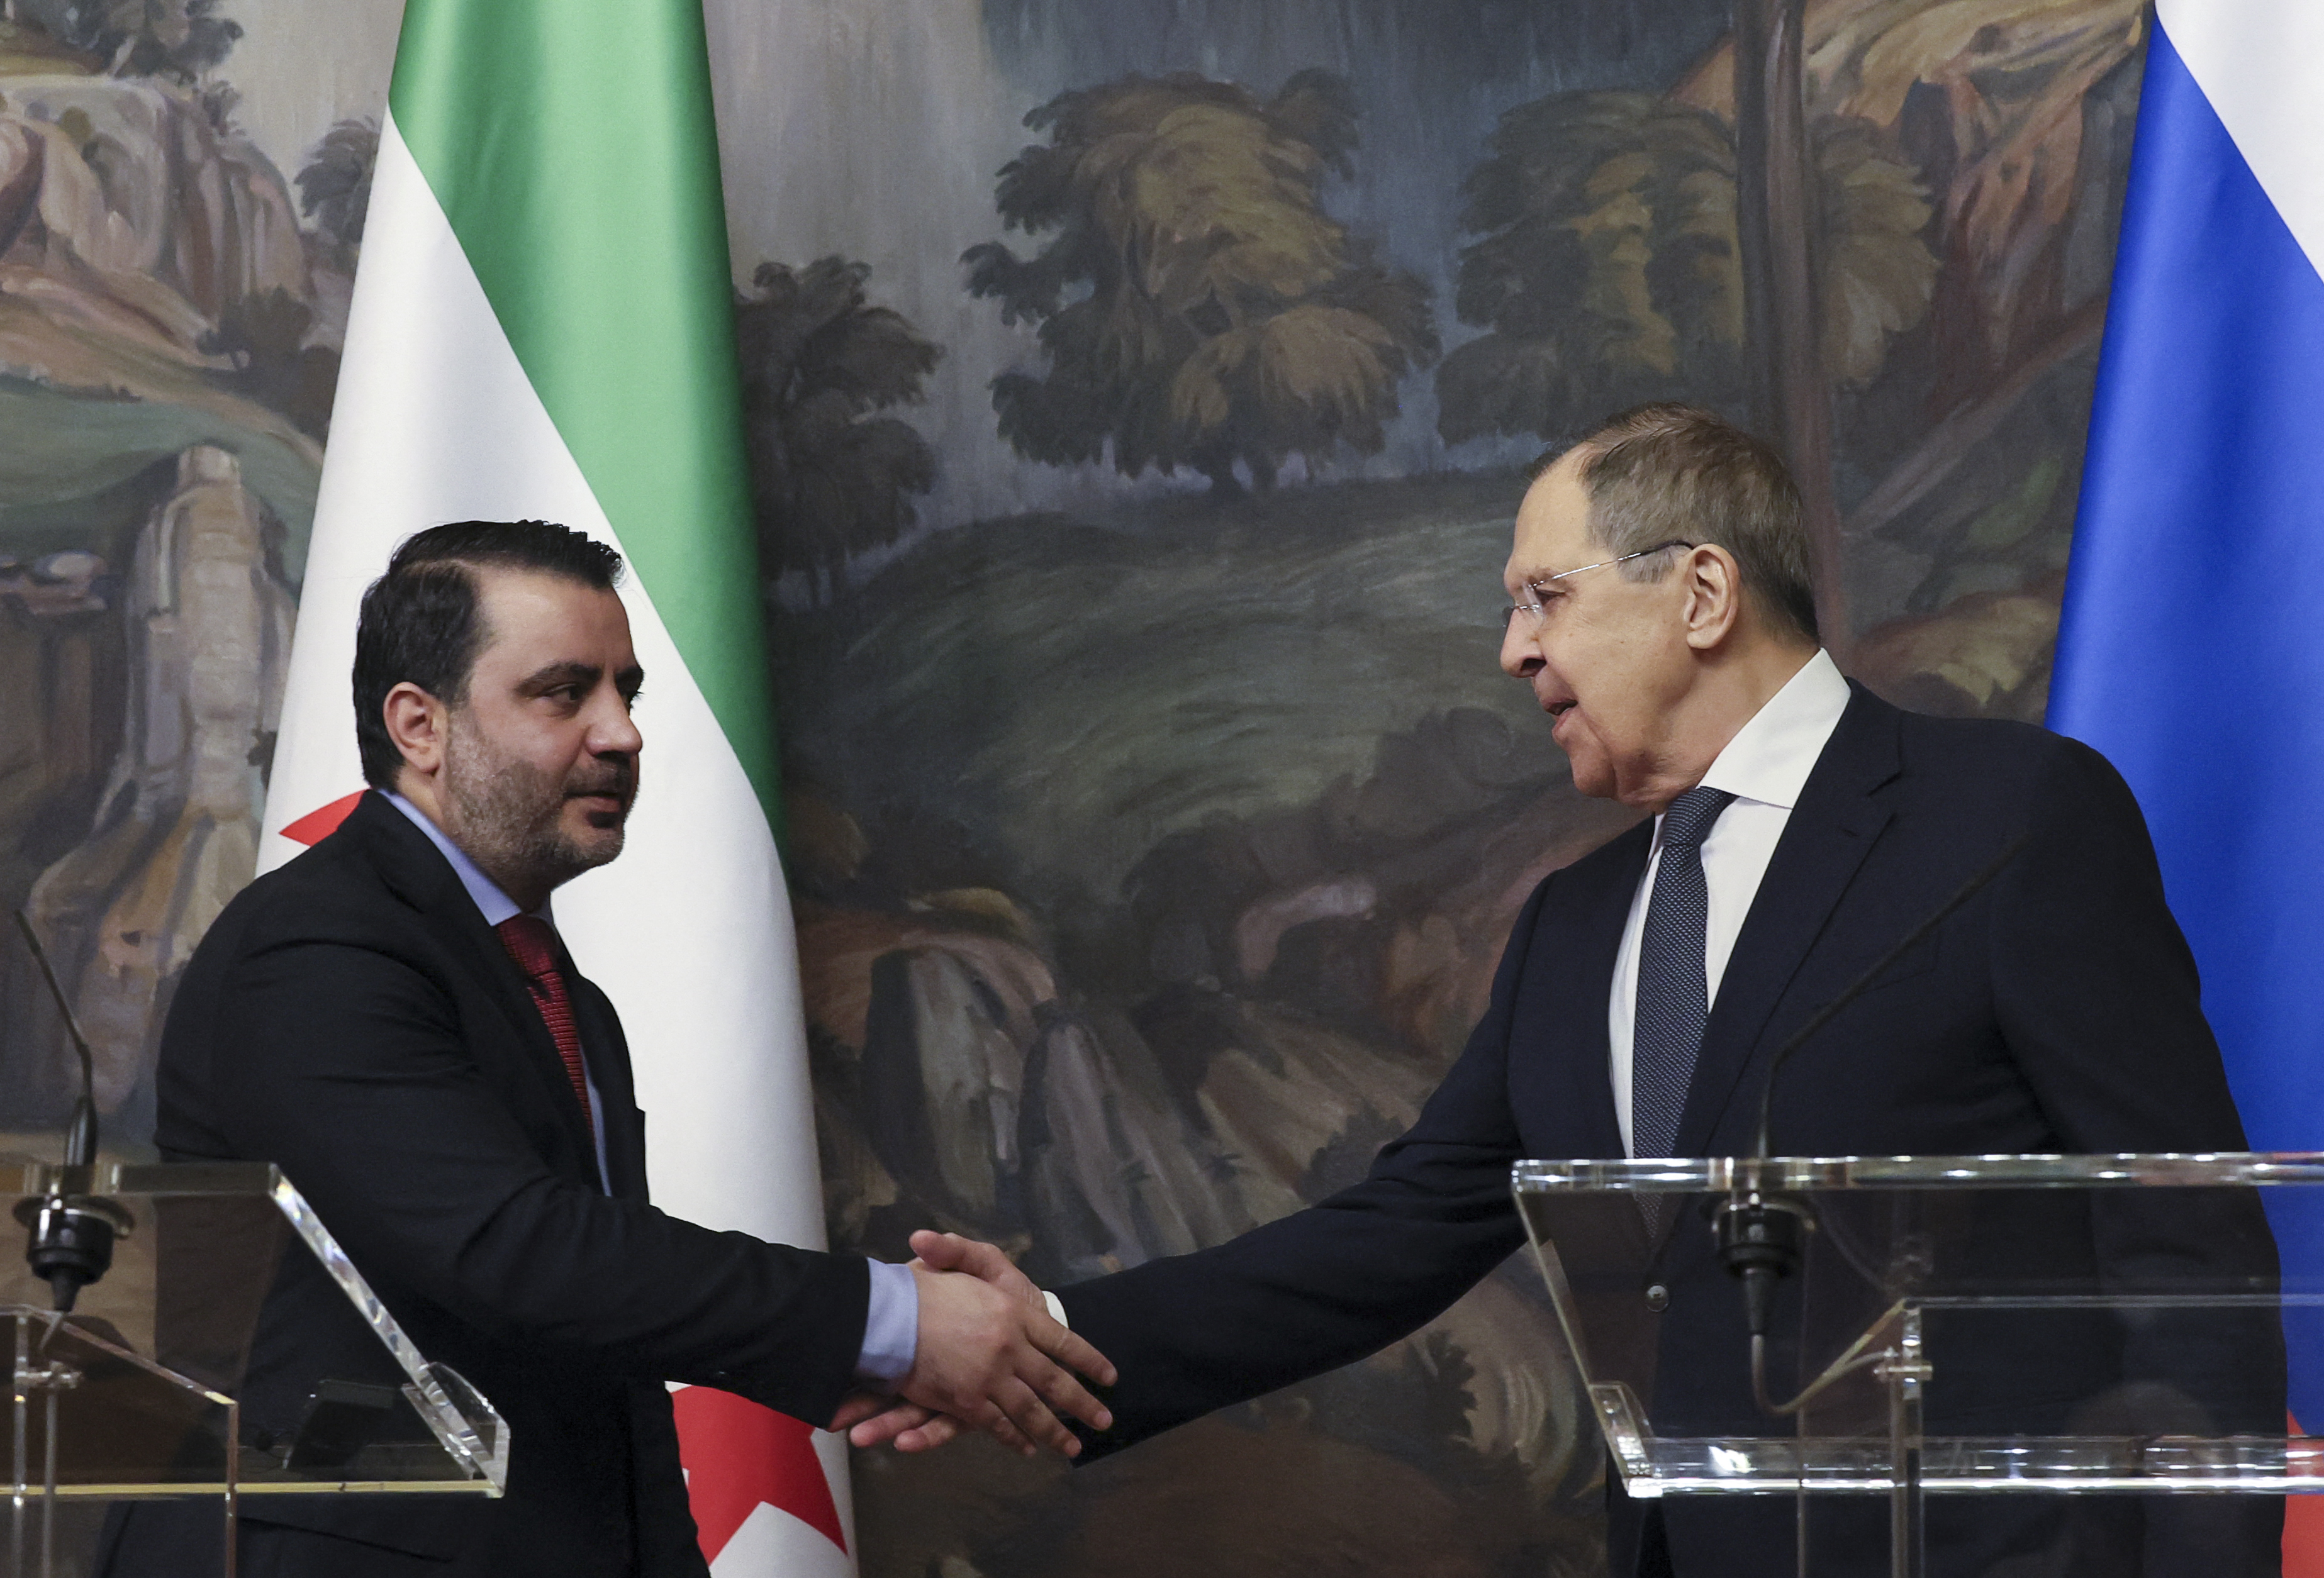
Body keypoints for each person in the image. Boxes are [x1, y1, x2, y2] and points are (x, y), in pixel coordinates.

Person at [852, 405, 2282, 1575]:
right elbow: (1389, 1238)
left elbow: (2182, 1249)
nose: (1511, 651)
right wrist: (1029, 1339)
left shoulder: (2011, 817)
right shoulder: (1573, 928)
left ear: (1702, 591)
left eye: (1545, 597)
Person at [101, 521, 1113, 1578]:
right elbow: (518, 1251)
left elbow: (595, 1349)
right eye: (563, 692)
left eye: (626, 691)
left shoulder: (554, 989)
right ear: (420, 725)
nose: (621, 732)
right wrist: (891, 1320)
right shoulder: (314, 943)